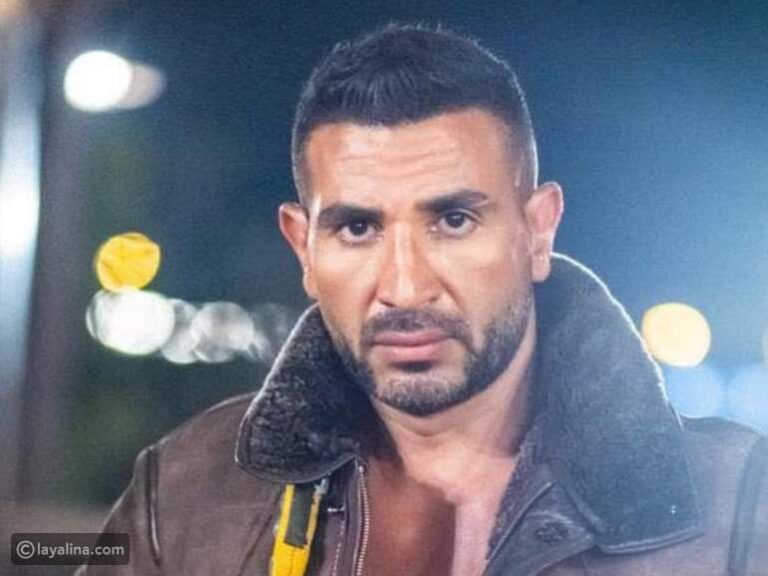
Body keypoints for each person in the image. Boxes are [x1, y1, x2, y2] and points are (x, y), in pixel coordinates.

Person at [79, 24, 768, 576]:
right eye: (357, 228)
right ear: (304, 249)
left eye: (454, 220)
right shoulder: (187, 491)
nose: (405, 287)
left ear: (537, 231)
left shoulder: (739, 508)